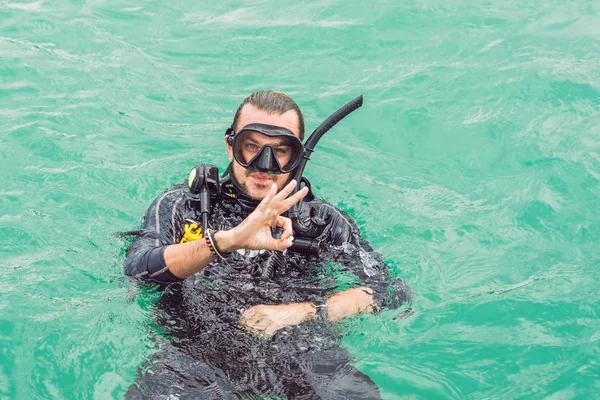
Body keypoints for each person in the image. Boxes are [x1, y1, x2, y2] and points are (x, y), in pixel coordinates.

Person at [123, 90, 412, 399]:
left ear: (298, 155)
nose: (264, 164)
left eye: (280, 150)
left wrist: (303, 312)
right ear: (230, 144)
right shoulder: (184, 206)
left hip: (301, 355)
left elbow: (390, 290)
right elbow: (138, 268)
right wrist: (228, 240)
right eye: (251, 146)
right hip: (193, 358)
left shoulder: (321, 222)